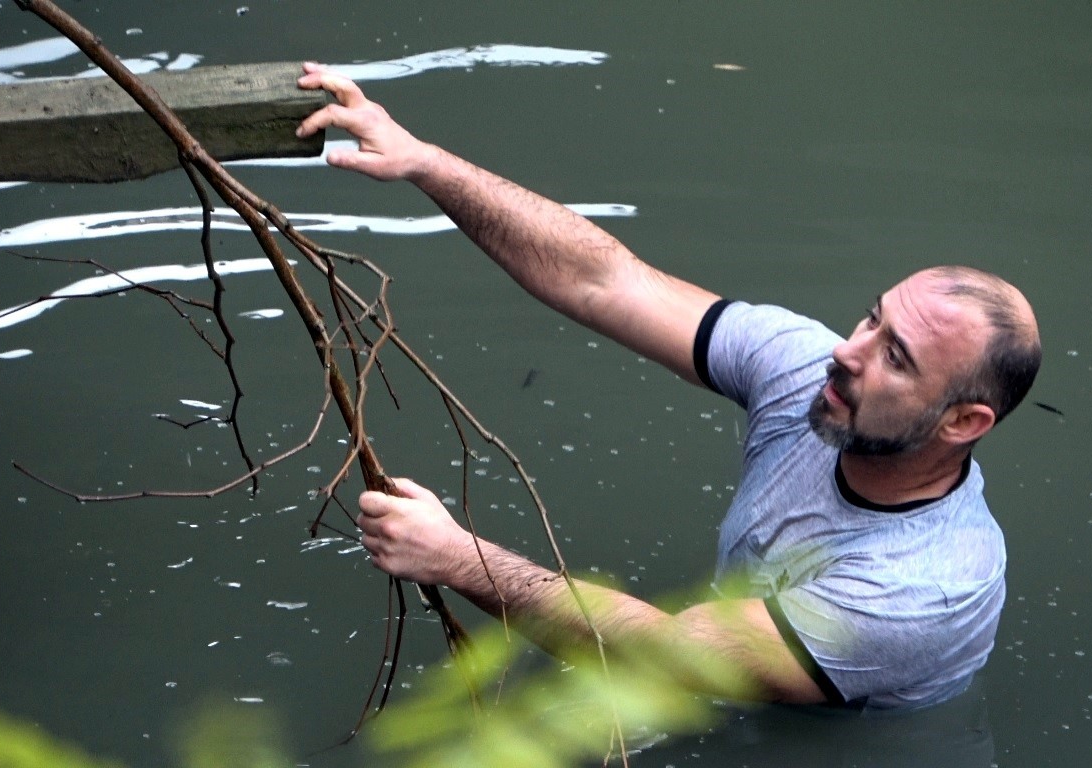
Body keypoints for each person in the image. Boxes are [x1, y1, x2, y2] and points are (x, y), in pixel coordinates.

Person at [295, 62, 1041, 709]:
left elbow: (668, 657)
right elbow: (606, 282)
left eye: (898, 358)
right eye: (870, 319)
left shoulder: (924, 590)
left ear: (963, 422)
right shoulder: (814, 371)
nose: (850, 353)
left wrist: (459, 558)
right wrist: (426, 161)